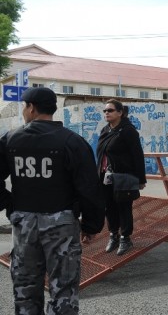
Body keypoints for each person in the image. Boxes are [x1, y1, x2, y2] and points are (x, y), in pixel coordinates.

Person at [0, 87, 105, 314]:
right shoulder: (73, 142)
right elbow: (89, 188)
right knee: (64, 289)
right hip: (63, 225)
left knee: (25, 286)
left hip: (24, 224)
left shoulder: (10, 139)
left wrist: (9, 205)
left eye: (24, 107)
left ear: (31, 108)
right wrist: (91, 225)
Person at [97, 99, 146, 256]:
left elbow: (137, 155)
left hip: (123, 176)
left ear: (120, 112)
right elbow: (101, 154)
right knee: (109, 207)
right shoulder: (105, 130)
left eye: (110, 110)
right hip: (106, 176)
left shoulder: (128, 131)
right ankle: (114, 235)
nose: (107, 113)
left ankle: (126, 237)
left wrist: (140, 179)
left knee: (123, 207)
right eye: (105, 111)